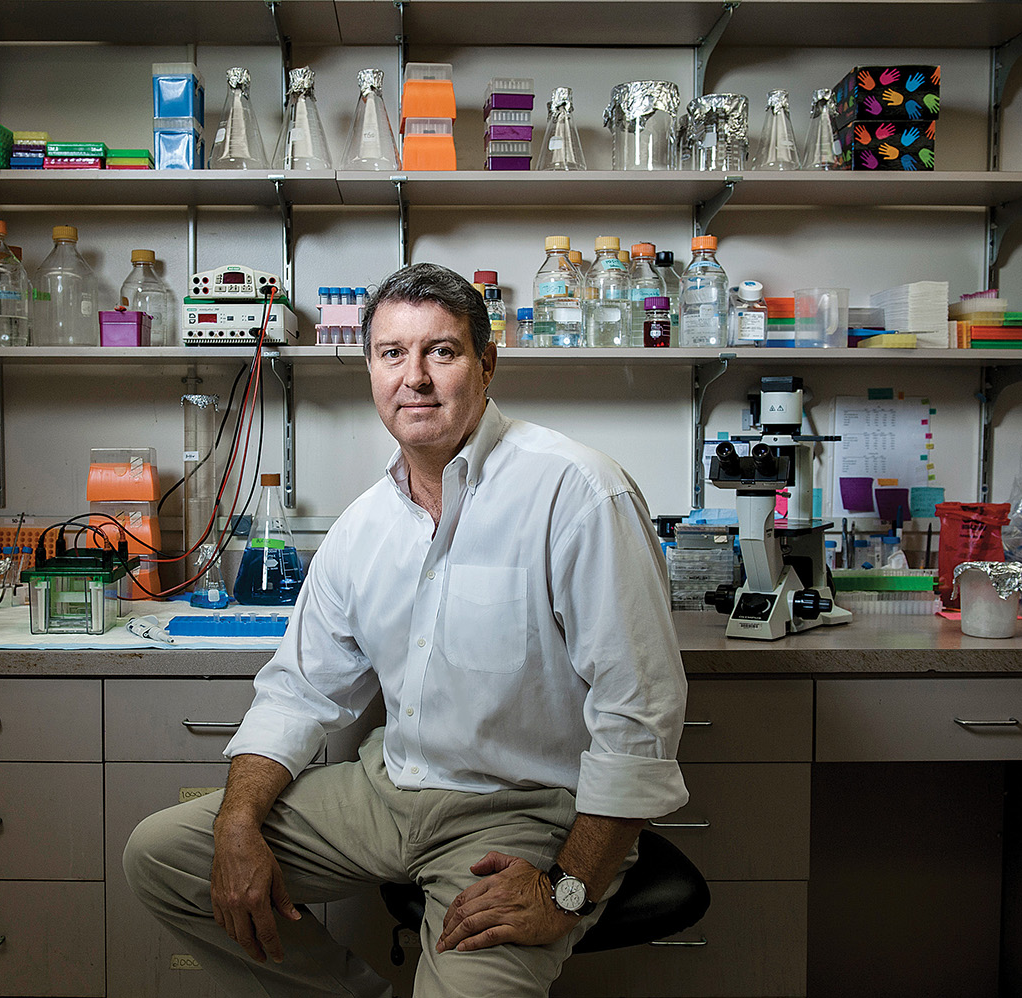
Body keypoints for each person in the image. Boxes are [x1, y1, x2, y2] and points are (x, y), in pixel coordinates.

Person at [124, 262, 688, 997]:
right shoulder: (362, 528)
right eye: (393, 353)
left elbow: (638, 712)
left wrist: (565, 890)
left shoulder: (576, 492)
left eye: (441, 351)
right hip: (385, 792)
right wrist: (237, 825)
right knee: (163, 854)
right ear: (370, 370)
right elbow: (297, 694)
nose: (414, 377)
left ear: (487, 364)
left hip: (516, 815)